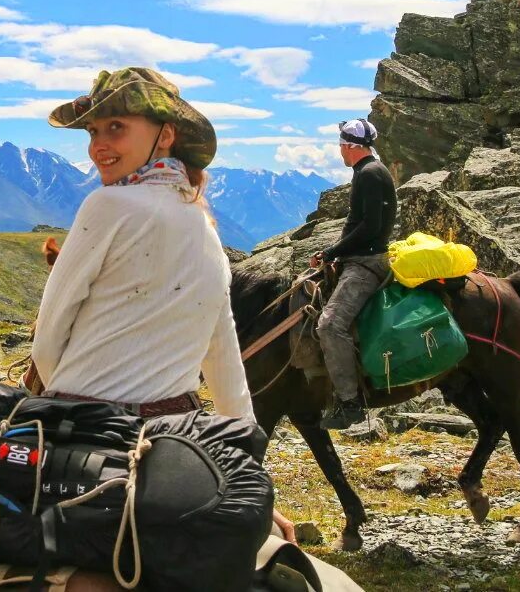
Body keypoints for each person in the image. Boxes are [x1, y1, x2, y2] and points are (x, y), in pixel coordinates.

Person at [32, 66, 295, 542]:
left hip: (85, 434)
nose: (98, 146)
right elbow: (224, 361)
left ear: (166, 135)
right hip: (177, 437)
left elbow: (47, 343)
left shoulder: (106, 206)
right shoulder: (207, 230)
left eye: (117, 127)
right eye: (93, 131)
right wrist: (251, 477)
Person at [312, 118, 397, 429]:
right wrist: (334, 251)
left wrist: (334, 252)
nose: (339, 152)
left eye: (340, 146)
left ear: (350, 147)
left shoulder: (369, 175)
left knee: (330, 326)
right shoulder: (369, 171)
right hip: (360, 257)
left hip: (366, 263)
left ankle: (350, 403)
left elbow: (370, 228)